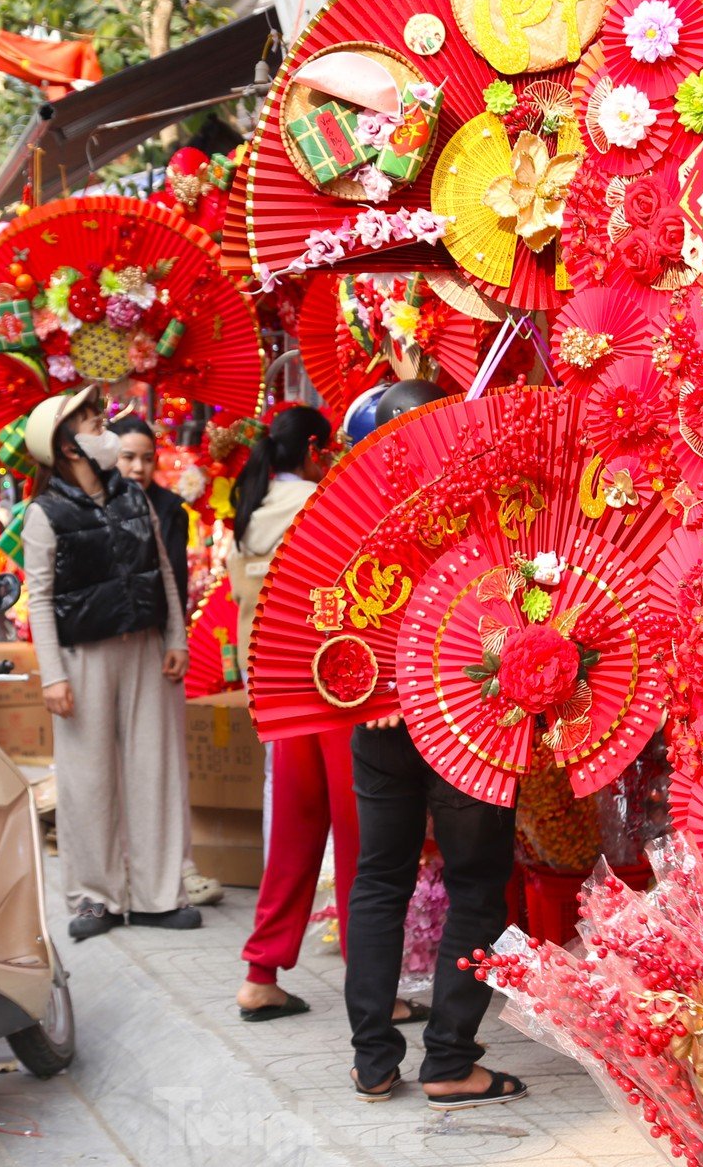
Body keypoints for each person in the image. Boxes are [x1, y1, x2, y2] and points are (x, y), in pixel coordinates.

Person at [342, 381, 525, 1108]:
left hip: (379, 717)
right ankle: (449, 1058)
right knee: (477, 883)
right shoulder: (486, 501)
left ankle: (372, 1060)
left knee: (380, 877)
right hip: (467, 715)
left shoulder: (349, 510)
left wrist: (381, 686)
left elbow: (325, 618)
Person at [225, 407, 417, 1026]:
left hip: (285, 694)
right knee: (364, 841)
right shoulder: (330, 500)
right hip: (341, 685)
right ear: (314, 449)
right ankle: (376, 992)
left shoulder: (251, 512)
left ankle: (261, 975)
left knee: (294, 833)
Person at [22, 387, 194, 941]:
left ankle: (157, 895)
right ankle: (93, 898)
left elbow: (163, 570)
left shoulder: (134, 496)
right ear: (68, 447)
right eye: (94, 424)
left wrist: (177, 636)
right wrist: (52, 674)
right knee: (86, 778)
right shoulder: (44, 514)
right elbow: (39, 598)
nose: (106, 431)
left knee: (156, 768)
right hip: (81, 656)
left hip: (145, 644)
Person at [111, 415, 223, 910]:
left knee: (166, 759)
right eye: (127, 456)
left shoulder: (169, 508)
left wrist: (175, 640)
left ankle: (180, 862)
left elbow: (173, 582)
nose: (137, 467)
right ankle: (125, 864)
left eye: (145, 457)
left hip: (159, 642)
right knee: (113, 761)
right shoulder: (94, 506)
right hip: (108, 647)